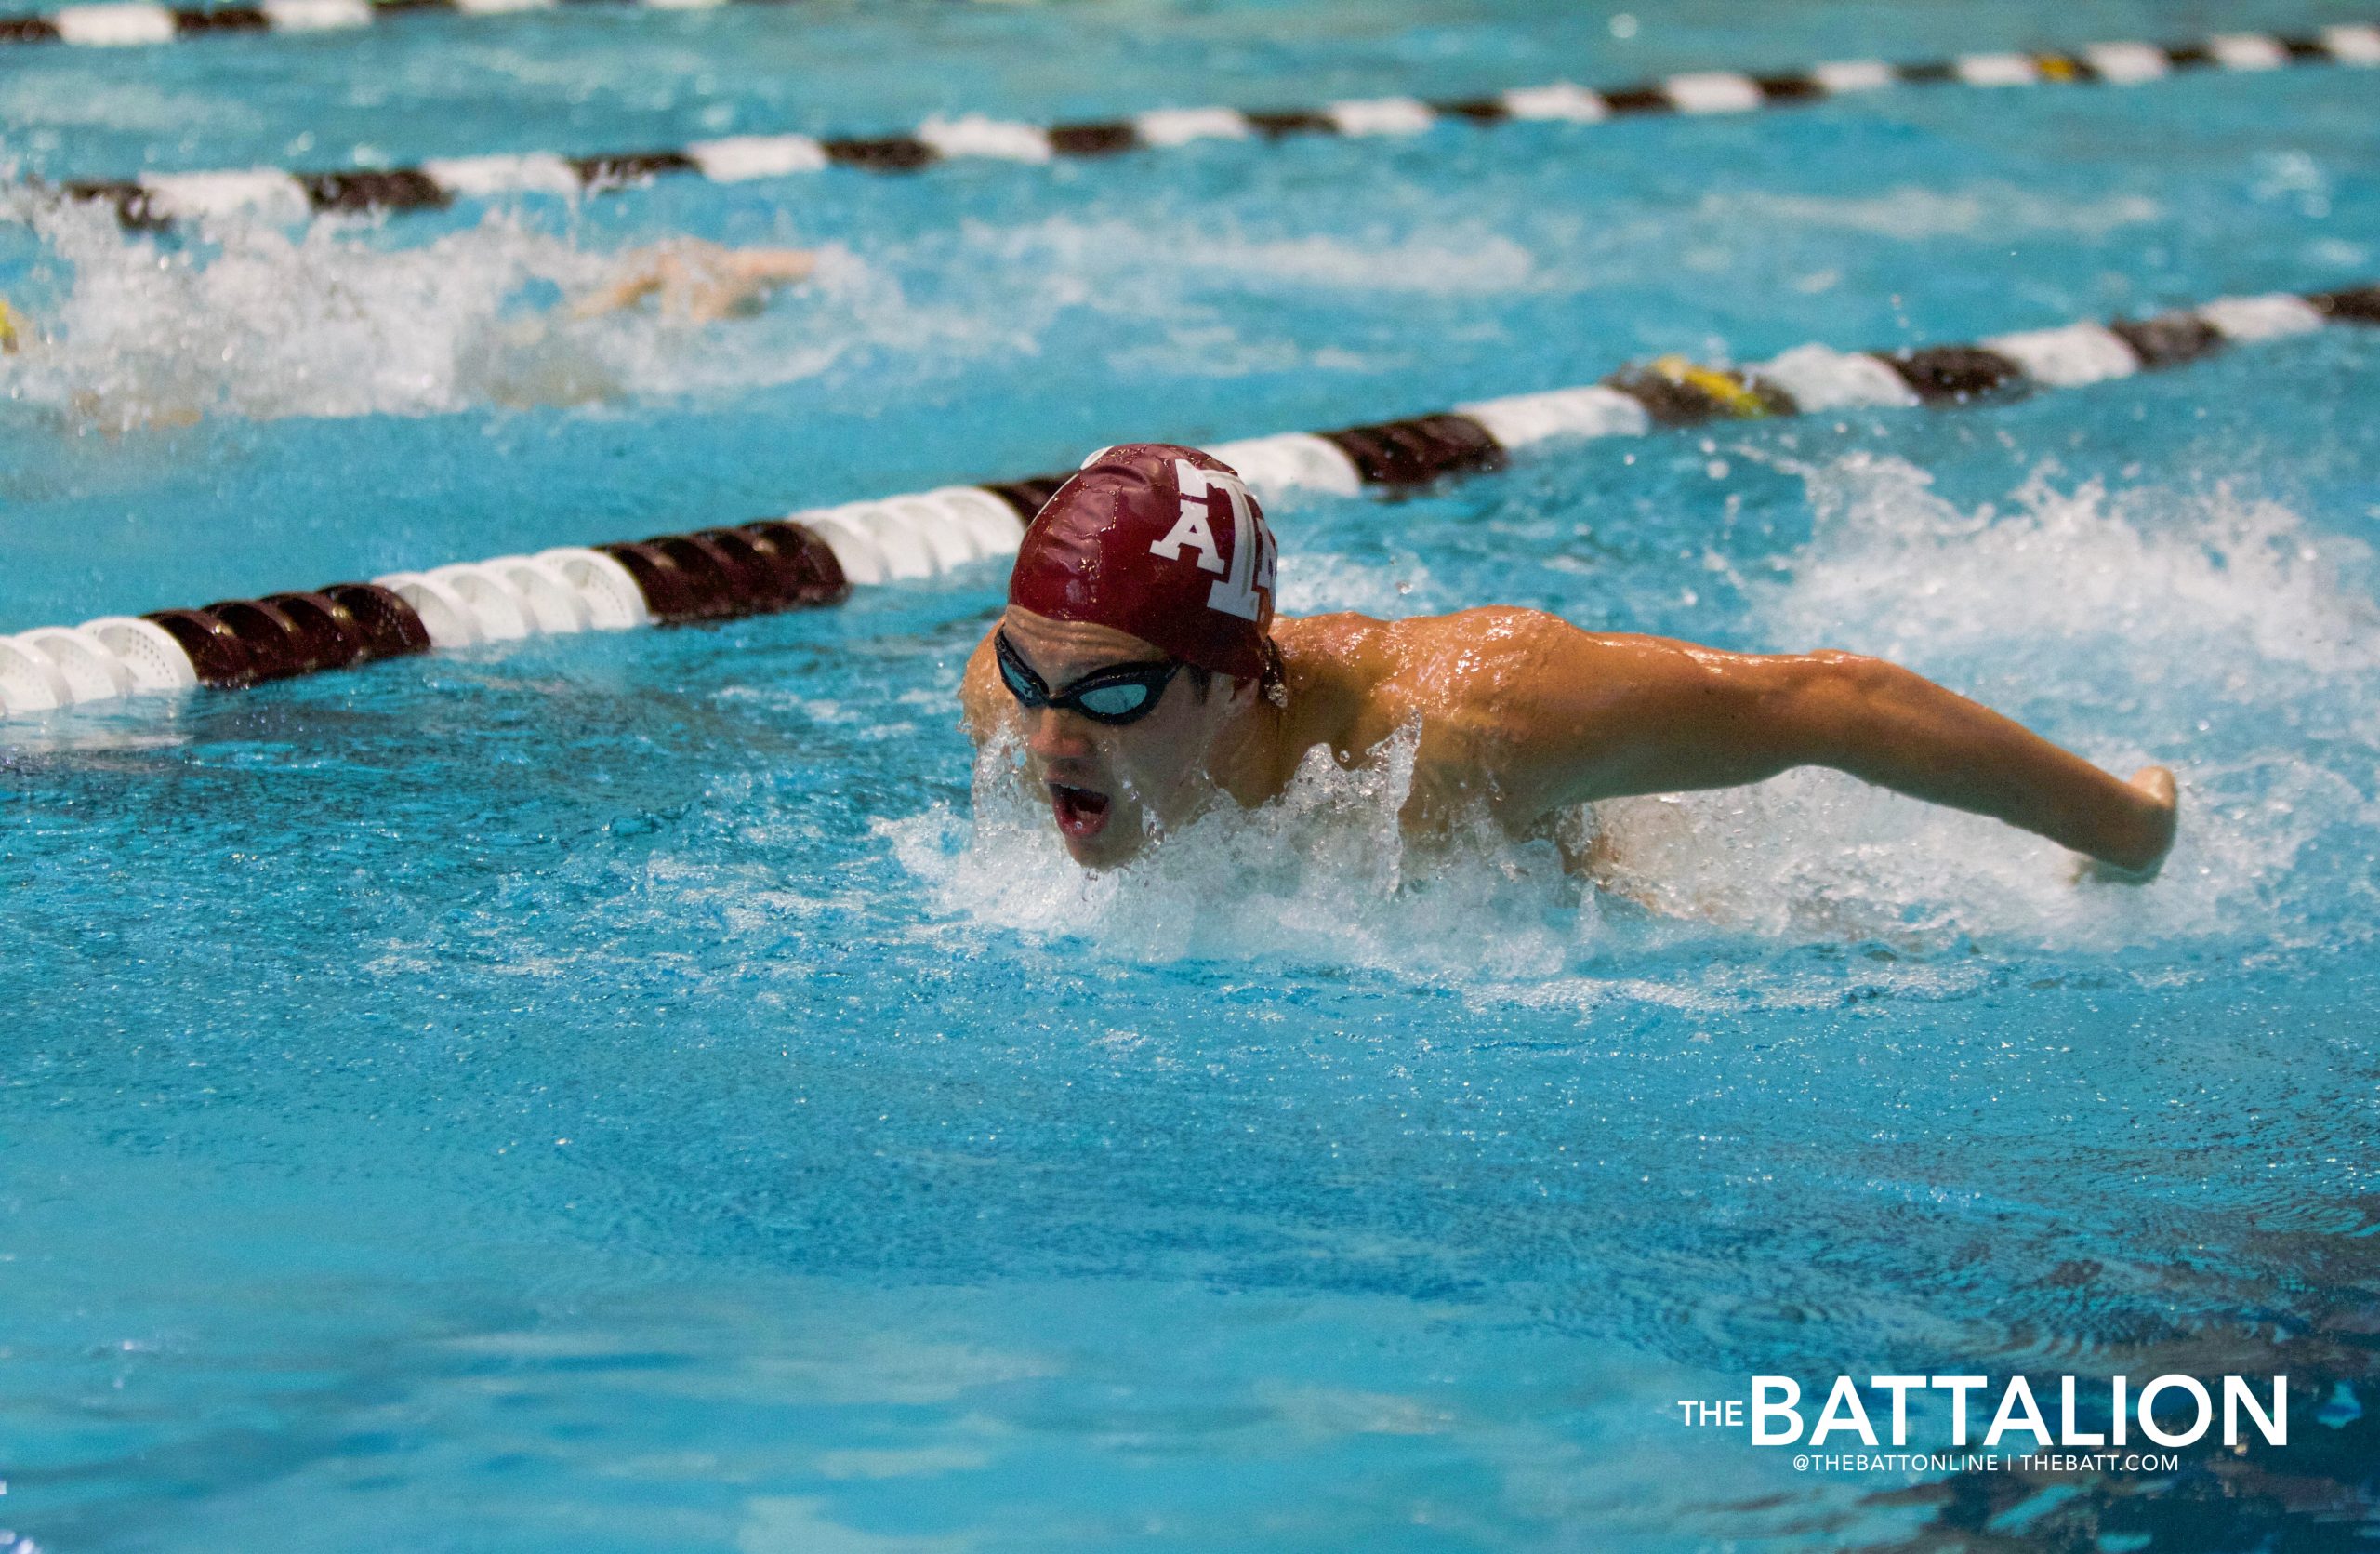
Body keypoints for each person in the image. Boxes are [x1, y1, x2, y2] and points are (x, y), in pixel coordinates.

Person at [958, 443, 2179, 883]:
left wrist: (2125, 833)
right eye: (1031, 678)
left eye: (1114, 695)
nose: (1054, 736)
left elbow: (1827, 700)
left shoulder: (1456, 724)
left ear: (1238, 676)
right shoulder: (1015, 699)